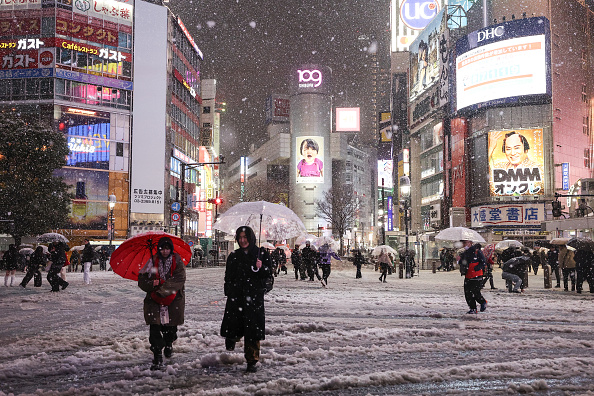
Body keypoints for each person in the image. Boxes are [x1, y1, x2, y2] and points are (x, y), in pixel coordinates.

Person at [220, 226, 273, 373]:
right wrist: (230, 291)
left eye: (245, 237)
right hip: (237, 298)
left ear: (251, 238)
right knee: (234, 325)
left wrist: (261, 268)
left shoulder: (261, 254)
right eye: (240, 237)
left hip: (254, 299)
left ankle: (252, 360)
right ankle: (231, 337)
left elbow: (269, 277)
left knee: (252, 331)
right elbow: (228, 277)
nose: (243, 240)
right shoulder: (234, 256)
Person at [138, 236, 186, 370]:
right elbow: (141, 280)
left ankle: (169, 342)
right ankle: (157, 355)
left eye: (167, 248)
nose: (165, 251)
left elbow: (180, 278)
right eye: (162, 248)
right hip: (154, 299)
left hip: (173, 298)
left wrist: (164, 287)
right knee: (155, 327)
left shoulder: (177, 261)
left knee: (170, 328)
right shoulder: (152, 261)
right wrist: (151, 283)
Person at [458, 240, 487, 314]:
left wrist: (476, 268)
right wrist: (459, 260)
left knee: (475, 292)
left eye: (465, 243)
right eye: (463, 243)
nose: (464, 244)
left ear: (470, 243)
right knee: (468, 293)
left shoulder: (477, 251)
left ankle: (482, 301)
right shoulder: (464, 253)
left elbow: (483, 262)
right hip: (468, 275)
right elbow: (463, 262)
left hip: (476, 275)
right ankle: (472, 308)